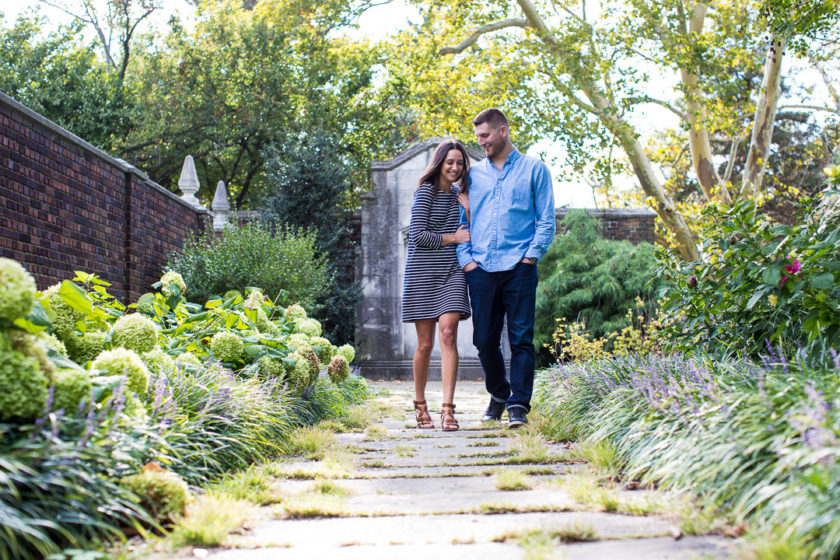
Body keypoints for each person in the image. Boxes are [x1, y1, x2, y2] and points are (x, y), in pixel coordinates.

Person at [456, 108, 556, 428]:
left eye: (485, 136)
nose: (481, 142)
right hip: (481, 267)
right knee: (484, 340)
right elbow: (461, 222)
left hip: (519, 267)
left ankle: (518, 406)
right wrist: (467, 260)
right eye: (478, 137)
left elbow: (546, 220)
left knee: (521, 339)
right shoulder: (473, 175)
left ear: (503, 131)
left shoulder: (535, 170)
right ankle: (498, 393)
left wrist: (531, 257)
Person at [401, 139, 472, 431]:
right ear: (439, 164)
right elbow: (418, 235)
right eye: (450, 162)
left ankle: (448, 409)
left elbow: (472, 233)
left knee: (448, 333)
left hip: (451, 271)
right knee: (426, 344)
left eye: (460, 163)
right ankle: (420, 404)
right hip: (421, 272)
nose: (455, 168)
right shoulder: (425, 193)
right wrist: (452, 239)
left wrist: (469, 209)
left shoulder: (461, 195)